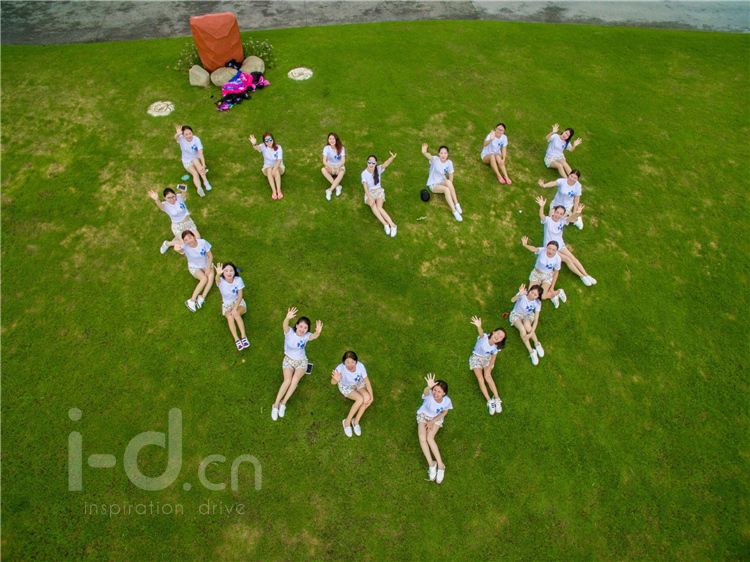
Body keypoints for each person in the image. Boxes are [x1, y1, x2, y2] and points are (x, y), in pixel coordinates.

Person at [271, 307, 323, 420]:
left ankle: (283, 403)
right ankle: (275, 405)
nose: (302, 329)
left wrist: (317, 332)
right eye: (301, 326)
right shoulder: (289, 332)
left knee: (295, 380)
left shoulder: (306, 336)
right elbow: (285, 325)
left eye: (305, 327)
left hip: (301, 362)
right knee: (287, 381)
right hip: (288, 360)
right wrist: (287, 318)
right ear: (297, 325)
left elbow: (313, 336)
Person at [536, 196, 597, 286]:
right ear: (554, 212)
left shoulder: (562, 221)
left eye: (561, 214)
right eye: (557, 212)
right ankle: (582, 277)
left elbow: (572, 218)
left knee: (573, 258)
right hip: (551, 247)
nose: (558, 215)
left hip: (560, 245)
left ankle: (587, 275)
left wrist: (578, 213)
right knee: (567, 259)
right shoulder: (548, 220)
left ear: (563, 215)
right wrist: (541, 206)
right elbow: (541, 216)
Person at [417, 373, 453, 484]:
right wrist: (429, 386)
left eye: (439, 391)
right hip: (424, 415)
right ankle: (432, 464)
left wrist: (432, 421)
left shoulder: (447, 401)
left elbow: (445, 412)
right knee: (422, 437)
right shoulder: (429, 394)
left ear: (444, 394)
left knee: (430, 438)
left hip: (435, 418)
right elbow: (425, 392)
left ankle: (441, 466)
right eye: (435, 390)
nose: (436, 393)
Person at [468, 316, 506, 415]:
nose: (498, 336)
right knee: (480, 379)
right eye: (498, 333)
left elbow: (493, 357)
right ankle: (490, 401)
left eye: (501, 337)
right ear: (493, 332)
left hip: (486, 359)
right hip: (476, 358)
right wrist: (479, 326)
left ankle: (497, 399)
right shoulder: (484, 337)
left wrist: (489, 367)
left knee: (488, 376)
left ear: (500, 340)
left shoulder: (496, 347)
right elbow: (481, 333)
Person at [331, 351, 374, 437]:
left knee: (367, 398)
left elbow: (367, 381)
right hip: (346, 386)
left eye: (353, 362)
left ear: (356, 362)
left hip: (357, 383)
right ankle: (346, 422)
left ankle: (355, 421)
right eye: (347, 362)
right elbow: (332, 382)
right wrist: (336, 379)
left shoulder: (360, 366)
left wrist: (372, 397)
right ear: (344, 362)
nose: (350, 365)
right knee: (360, 399)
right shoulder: (340, 368)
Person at [148, 187, 200, 255]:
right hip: (178, 226)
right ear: (165, 198)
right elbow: (160, 206)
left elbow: (184, 194)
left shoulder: (179, 197)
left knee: (197, 239)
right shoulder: (165, 205)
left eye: (173, 196)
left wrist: (183, 190)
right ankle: (167, 243)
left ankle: (178, 238)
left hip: (188, 222)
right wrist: (157, 199)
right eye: (168, 198)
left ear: (175, 194)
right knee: (184, 244)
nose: (172, 199)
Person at [520, 236, 567, 309]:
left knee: (542, 296)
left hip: (547, 276)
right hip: (536, 274)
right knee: (531, 294)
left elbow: (556, 273)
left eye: (553, 250)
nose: (550, 251)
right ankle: (553, 296)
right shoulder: (542, 250)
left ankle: (558, 292)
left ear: (556, 251)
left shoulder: (557, 259)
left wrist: (552, 287)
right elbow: (534, 249)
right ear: (546, 247)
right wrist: (525, 245)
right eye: (549, 248)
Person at [421, 143, 463, 222]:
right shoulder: (435, 160)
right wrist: (424, 152)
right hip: (433, 184)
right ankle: (454, 211)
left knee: (449, 183)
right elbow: (429, 156)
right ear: (439, 154)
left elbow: (451, 174)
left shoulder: (449, 163)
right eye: (441, 153)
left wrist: (450, 185)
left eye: (445, 153)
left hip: (442, 180)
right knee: (446, 190)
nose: (443, 155)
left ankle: (457, 204)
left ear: (448, 154)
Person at [213, 262, 250, 351]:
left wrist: (234, 308)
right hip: (227, 305)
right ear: (223, 272)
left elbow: (240, 296)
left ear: (234, 272)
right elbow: (217, 279)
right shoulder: (220, 281)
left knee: (235, 313)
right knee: (230, 317)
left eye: (231, 270)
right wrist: (218, 274)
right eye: (226, 271)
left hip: (238, 302)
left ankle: (244, 337)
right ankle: (237, 339)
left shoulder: (238, 280)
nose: (229, 273)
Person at [175, 230, 214, 312]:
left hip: (205, 264)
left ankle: (202, 297)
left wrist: (208, 268)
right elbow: (179, 249)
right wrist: (177, 248)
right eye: (186, 240)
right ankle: (191, 301)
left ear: (194, 236)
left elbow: (210, 256)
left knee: (211, 276)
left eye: (190, 238)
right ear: (184, 242)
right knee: (204, 279)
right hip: (194, 267)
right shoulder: (185, 247)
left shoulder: (203, 242)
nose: (189, 241)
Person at [361, 153, 398, 237]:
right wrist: (369, 197)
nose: (371, 164)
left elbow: (386, 164)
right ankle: (385, 224)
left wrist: (392, 157)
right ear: (367, 162)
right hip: (369, 192)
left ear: (375, 164)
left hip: (378, 191)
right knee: (372, 205)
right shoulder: (364, 173)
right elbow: (365, 187)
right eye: (369, 162)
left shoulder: (378, 169)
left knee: (379, 207)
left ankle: (393, 225)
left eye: (373, 163)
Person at [509, 284, 544, 366]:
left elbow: (536, 320)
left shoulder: (537, 303)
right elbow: (512, 300)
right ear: (529, 290)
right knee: (522, 329)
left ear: (538, 297)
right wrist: (519, 294)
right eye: (532, 292)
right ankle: (531, 351)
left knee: (528, 327)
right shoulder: (523, 294)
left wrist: (531, 334)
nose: (532, 295)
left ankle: (537, 343)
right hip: (516, 315)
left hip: (527, 315)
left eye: (535, 295)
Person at [174, 125, 212, 197]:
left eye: (190, 133)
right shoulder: (181, 138)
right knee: (195, 173)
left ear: (192, 132)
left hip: (195, 158)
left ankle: (205, 182)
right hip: (186, 162)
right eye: (186, 134)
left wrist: (203, 164)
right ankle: (199, 188)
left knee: (198, 164)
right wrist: (178, 134)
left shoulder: (196, 139)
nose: (189, 136)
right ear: (183, 135)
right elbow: (175, 138)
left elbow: (200, 153)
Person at [248, 132, 285, 200]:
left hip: (279, 167)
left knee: (276, 170)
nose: (269, 142)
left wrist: (274, 169)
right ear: (264, 142)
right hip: (267, 167)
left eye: (270, 140)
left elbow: (279, 160)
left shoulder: (278, 147)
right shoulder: (263, 146)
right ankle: (274, 191)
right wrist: (254, 143)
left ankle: (279, 191)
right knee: (269, 170)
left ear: (273, 139)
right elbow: (257, 148)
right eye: (266, 141)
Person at [321, 133, 346, 201]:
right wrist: (330, 167)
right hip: (330, 166)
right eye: (330, 139)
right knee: (323, 169)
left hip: (339, 166)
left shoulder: (341, 148)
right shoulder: (326, 148)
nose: (332, 140)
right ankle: (337, 186)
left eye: (333, 139)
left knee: (342, 171)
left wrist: (338, 166)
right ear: (328, 140)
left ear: (336, 139)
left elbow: (343, 161)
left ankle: (329, 190)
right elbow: (324, 161)